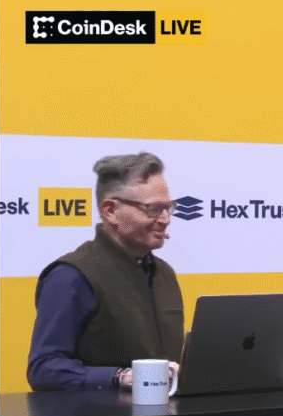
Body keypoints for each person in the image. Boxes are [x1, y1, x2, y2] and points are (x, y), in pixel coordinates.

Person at [27, 152, 184, 391]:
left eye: (168, 208)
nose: (165, 219)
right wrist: (120, 377)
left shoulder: (164, 274)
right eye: (153, 208)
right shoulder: (71, 276)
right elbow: (43, 369)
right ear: (110, 211)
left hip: (165, 413)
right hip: (100, 415)